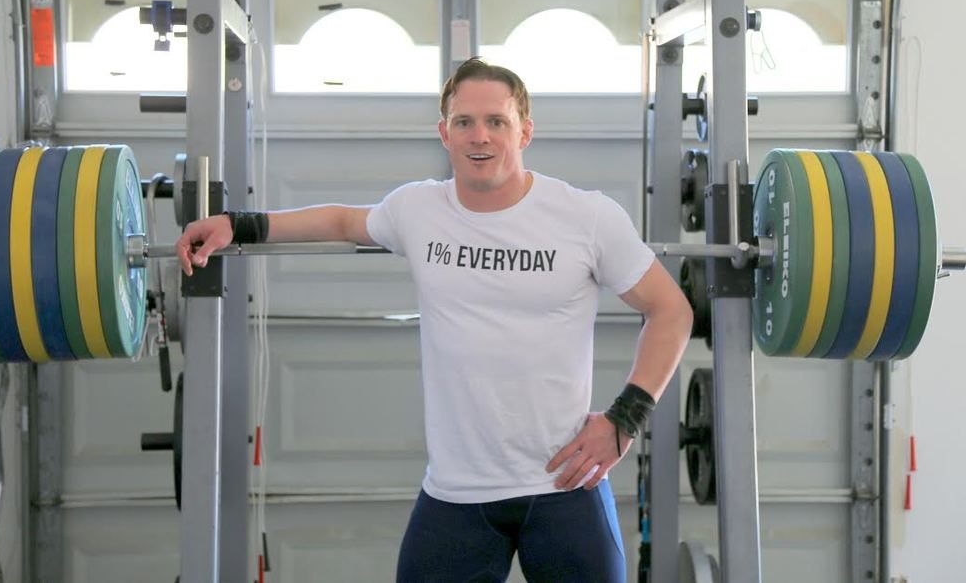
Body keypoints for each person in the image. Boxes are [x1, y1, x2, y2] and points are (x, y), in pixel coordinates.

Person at [176, 58, 693, 582]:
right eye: (464, 122)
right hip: (457, 494)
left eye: (497, 121)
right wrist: (236, 224)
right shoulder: (418, 209)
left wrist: (625, 420)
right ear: (445, 133)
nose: (479, 136)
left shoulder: (587, 217)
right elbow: (342, 220)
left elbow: (671, 310)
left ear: (525, 132)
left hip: (564, 485)